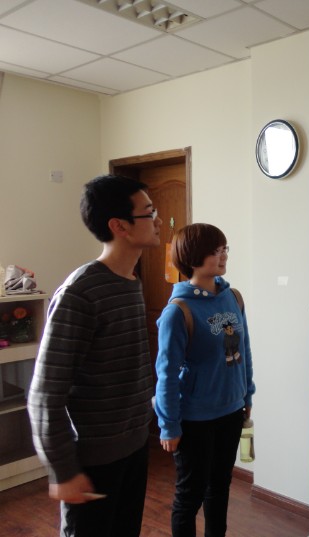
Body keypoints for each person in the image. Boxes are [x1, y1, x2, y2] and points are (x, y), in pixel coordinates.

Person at [28, 174, 162, 537]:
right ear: (120, 226)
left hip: (134, 447)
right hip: (93, 461)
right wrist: (64, 471)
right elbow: (44, 394)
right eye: (149, 212)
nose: (158, 221)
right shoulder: (80, 293)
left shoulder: (130, 282)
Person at [154, 223, 255, 537]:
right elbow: (166, 374)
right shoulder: (178, 311)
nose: (223, 256)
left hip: (231, 411)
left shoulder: (233, 298)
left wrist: (247, 395)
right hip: (195, 419)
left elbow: (244, 351)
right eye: (215, 251)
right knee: (190, 496)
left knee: (220, 488)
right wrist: (168, 425)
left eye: (224, 249)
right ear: (193, 257)